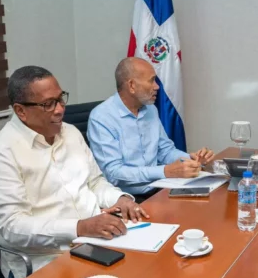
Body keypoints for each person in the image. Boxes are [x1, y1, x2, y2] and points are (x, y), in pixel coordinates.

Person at [0, 66, 148, 278]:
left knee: (148, 277)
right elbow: (13, 227)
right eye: (48, 104)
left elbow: (95, 182)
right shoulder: (0, 152)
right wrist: (79, 227)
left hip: (98, 242)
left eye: (61, 99)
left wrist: (120, 199)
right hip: (44, 261)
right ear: (21, 111)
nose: (60, 110)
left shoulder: (71, 133)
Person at [88, 57, 214, 197]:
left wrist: (192, 159)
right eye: (151, 80)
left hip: (159, 189)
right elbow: (113, 173)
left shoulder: (150, 109)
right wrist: (165, 171)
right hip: (127, 199)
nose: (157, 87)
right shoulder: (102, 117)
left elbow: (165, 151)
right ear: (132, 85)